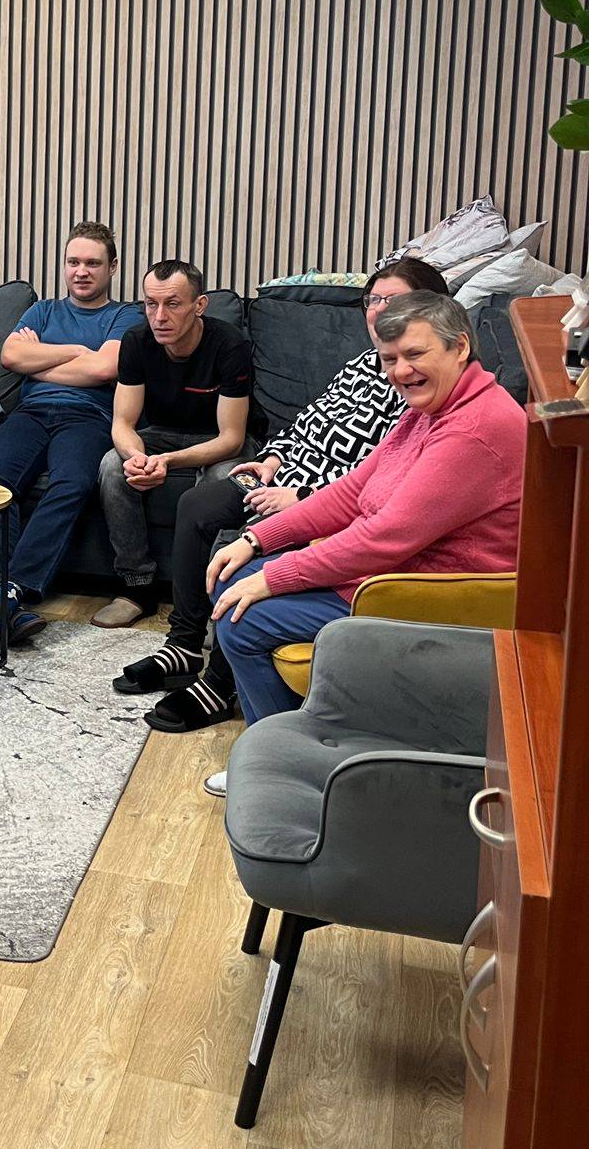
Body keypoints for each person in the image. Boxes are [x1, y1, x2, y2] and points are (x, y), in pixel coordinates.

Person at [202, 290, 526, 796]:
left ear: (460, 346)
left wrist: (276, 575)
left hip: (421, 593)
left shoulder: (473, 429)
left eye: (415, 354)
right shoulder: (432, 408)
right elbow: (354, 490)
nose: (401, 371)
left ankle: (287, 771)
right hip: (389, 572)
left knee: (242, 620)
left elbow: (384, 538)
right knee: (234, 578)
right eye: (390, 359)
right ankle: (295, 746)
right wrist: (257, 538)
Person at [122, 256, 449, 732]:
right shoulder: (362, 363)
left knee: (248, 542)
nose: (379, 310)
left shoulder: (417, 380)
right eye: (373, 300)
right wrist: (272, 460)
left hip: (313, 498)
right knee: (196, 504)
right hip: (282, 476)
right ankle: (185, 644)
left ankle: (219, 684)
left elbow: (380, 479)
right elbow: (308, 422)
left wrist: (302, 496)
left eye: (393, 300)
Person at [0, 222, 142, 648]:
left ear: (112, 267)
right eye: (73, 262)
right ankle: (6, 595)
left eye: (92, 263)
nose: (81, 271)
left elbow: (104, 368)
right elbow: (11, 355)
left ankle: (8, 591)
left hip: (88, 417)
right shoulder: (43, 311)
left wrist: (40, 362)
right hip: (30, 414)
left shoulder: (125, 316)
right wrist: (77, 352)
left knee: (72, 482)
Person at [93, 258, 252, 627]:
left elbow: (231, 439)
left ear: (199, 305)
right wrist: (137, 458)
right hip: (161, 432)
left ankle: (212, 597)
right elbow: (123, 423)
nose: (160, 316)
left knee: (224, 481)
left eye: (173, 304)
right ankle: (137, 588)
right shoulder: (136, 341)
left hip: (217, 439)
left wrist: (167, 461)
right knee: (113, 466)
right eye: (151, 304)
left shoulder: (229, 344)